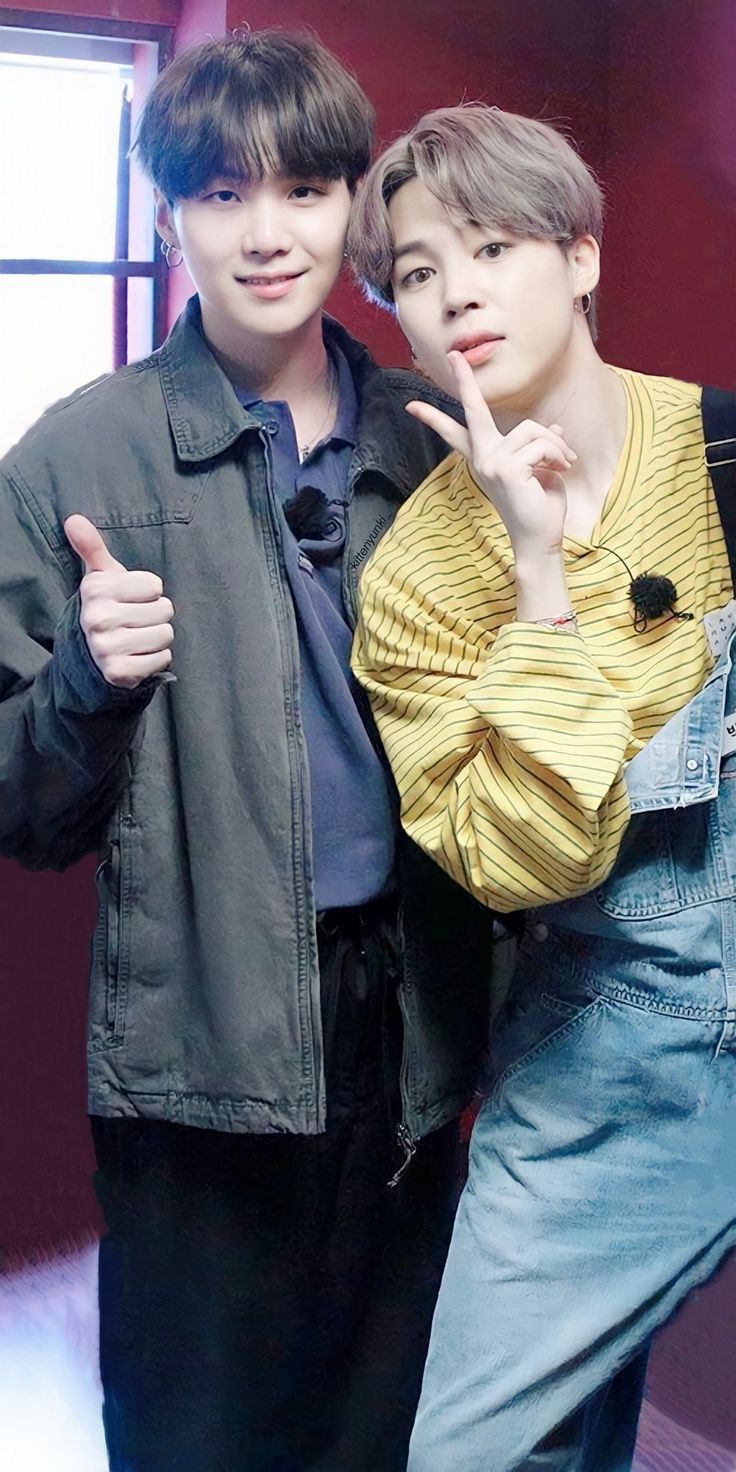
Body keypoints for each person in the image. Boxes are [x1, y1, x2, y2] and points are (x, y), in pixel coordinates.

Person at [0, 39, 495, 1472]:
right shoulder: (75, 460)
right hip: (196, 1044)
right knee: (197, 1435)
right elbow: (21, 808)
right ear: (171, 219)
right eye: (222, 194)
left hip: (409, 1031)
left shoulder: (434, 438)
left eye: (305, 189)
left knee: (382, 1428)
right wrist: (89, 679)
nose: (267, 232)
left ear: (353, 208)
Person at [349, 103, 736, 1472]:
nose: (456, 292)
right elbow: (530, 860)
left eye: (493, 247)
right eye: (416, 272)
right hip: (612, 1049)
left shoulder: (726, 454)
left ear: (581, 258)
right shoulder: (414, 582)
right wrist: (538, 576)